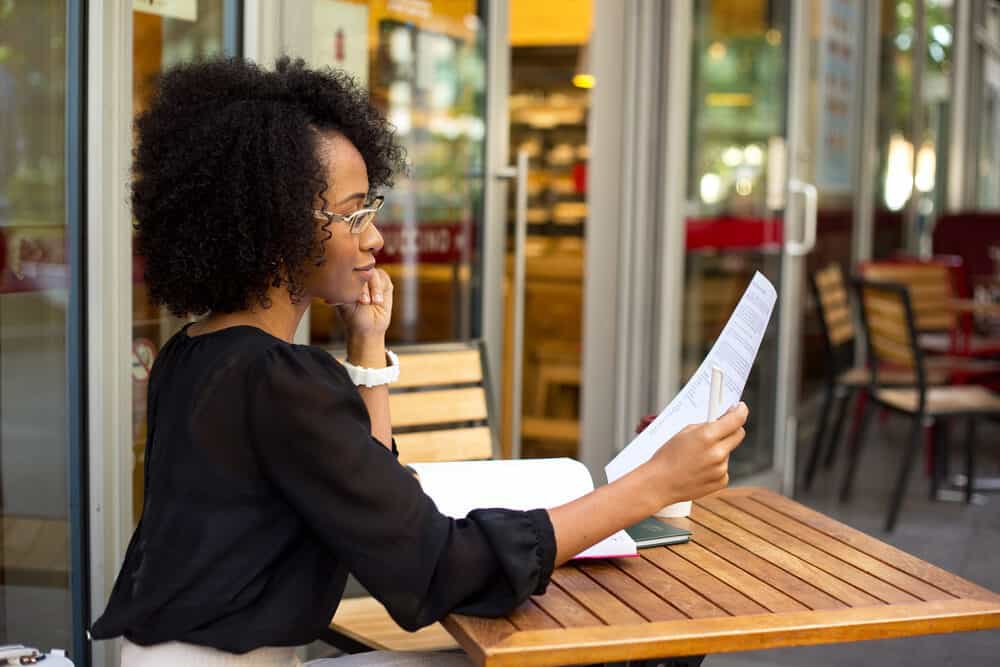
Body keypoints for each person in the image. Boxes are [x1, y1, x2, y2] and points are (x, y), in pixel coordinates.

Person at [91, 57, 748, 666]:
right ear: (276, 231)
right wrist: (652, 485)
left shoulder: (197, 354)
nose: (375, 235)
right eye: (353, 215)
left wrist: (366, 346)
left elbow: (378, 504)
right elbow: (434, 568)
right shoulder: (278, 381)